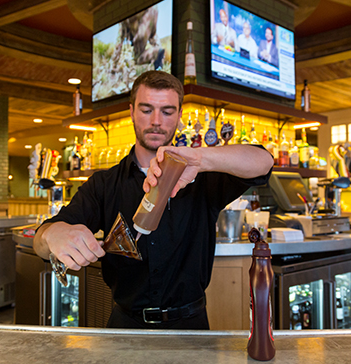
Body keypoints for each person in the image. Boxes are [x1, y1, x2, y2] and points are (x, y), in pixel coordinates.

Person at [33, 71, 273, 330]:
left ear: (179, 115)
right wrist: (52, 235)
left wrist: (201, 159)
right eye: (146, 109)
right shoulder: (104, 184)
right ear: (131, 111)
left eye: (167, 112)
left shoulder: (202, 178)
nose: (157, 121)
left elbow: (264, 162)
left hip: (191, 328)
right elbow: (40, 241)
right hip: (125, 326)